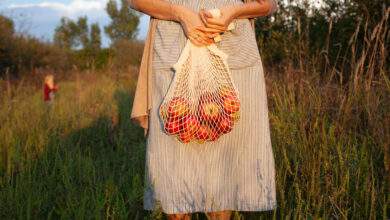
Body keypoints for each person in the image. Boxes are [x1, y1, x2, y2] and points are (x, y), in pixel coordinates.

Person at [129, 0, 278, 219]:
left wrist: (233, 12)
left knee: (223, 176)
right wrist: (180, 14)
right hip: (174, 51)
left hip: (232, 50)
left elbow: (268, 4)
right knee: (174, 175)